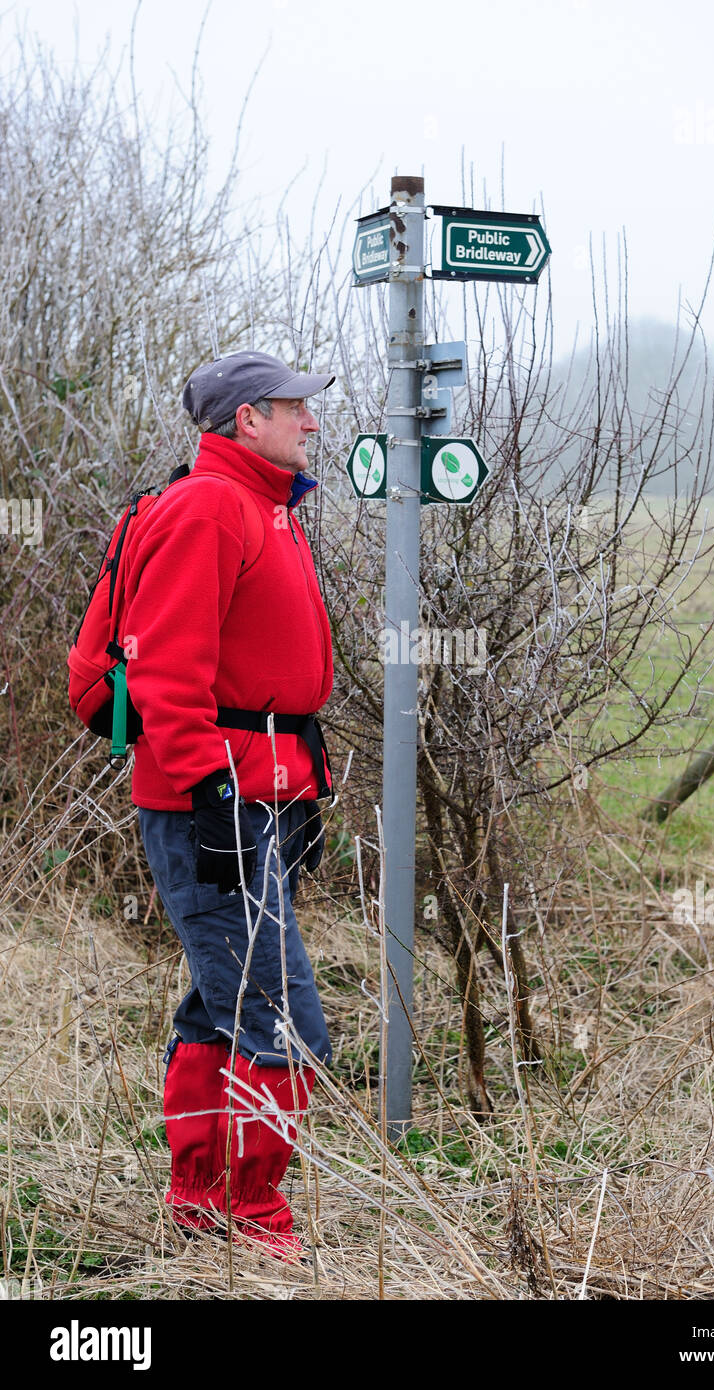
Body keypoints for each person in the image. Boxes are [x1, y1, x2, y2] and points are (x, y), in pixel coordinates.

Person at [122, 350, 335, 1261]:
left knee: (221, 1005)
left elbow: (266, 675)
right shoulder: (210, 509)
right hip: (216, 802)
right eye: (295, 410)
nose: (312, 423)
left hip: (264, 795)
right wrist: (213, 797)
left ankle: (200, 1198)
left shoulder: (265, 509)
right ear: (247, 419)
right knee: (277, 1014)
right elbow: (168, 675)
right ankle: (254, 1219)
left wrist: (296, 788)